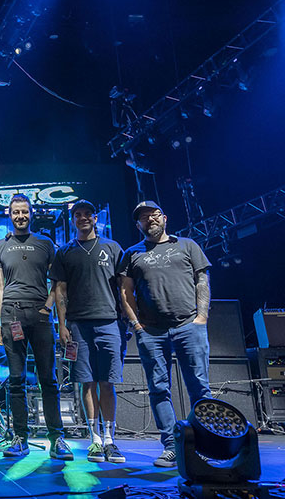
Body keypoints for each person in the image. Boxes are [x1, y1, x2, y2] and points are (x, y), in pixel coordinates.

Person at [118, 200, 212, 468]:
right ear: (138, 224)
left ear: (165, 217)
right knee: (159, 389)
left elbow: (202, 280)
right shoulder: (132, 253)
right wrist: (137, 325)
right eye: (144, 217)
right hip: (152, 332)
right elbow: (125, 293)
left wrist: (201, 318)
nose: (150, 219)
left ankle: (206, 446)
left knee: (200, 389)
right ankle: (173, 447)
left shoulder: (187, 245)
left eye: (154, 214)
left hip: (187, 326)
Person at [0, 194, 73, 460]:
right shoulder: (0, 246)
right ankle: (20, 438)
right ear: (9, 214)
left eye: (24, 212)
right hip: (11, 316)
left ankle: (57, 438)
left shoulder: (46, 243)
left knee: (48, 380)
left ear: (31, 213)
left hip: (40, 318)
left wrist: (47, 308)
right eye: (16, 212)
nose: (20, 216)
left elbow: (57, 283)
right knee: (16, 381)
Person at [51, 200, 126, 464]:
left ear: (95, 218)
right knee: (87, 381)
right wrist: (61, 325)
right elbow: (60, 291)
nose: (82, 218)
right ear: (73, 220)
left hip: (109, 323)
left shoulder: (113, 248)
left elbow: (124, 287)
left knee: (107, 381)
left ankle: (110, 440)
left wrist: (129, 319)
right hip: (77, 325)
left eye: (87, 214)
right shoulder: (65, 252)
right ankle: (95, 440)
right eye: (77, 215)